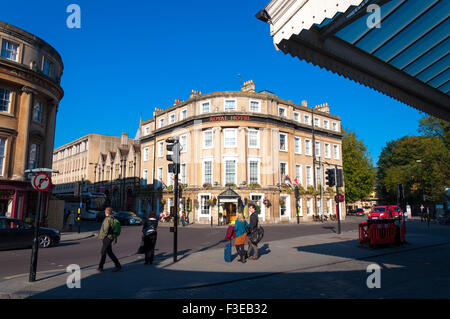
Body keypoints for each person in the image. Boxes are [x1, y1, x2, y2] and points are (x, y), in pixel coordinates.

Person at [97, 207, 121, 272]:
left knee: (103, 252)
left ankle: (101, 267)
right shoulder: (112, 218)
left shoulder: (107, 219)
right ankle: (117, 265)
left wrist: (102, 236)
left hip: (107, 238)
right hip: (110, 237)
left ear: (106, 212)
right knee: (109, 252)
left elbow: (106, 229)